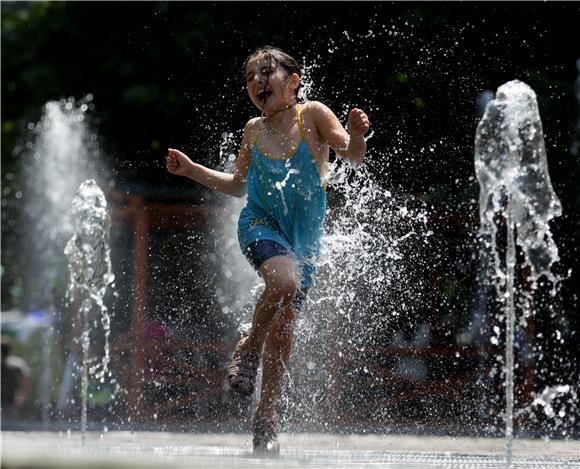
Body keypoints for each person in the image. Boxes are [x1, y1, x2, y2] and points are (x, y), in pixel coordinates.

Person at [166, 46, 370, 453]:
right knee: (282, 280)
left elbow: (352, 156)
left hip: (305, 240)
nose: (258, 82)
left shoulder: (312, 114)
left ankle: (266, 419)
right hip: (260, 225)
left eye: (266, 72)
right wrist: (191, 170)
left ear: (294, 80)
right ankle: (247, 348)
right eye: (250, 78)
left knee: (285, 329)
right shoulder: (253, 130)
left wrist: (358, 135)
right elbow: (238, 185)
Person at [1, 335, 31, 423]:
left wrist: (22, 398)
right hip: (11, 400)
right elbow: (25, 383)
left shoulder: (15, 364)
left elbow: (24, 382)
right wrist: (22, 397)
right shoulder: (18, 364)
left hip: (8, 401)